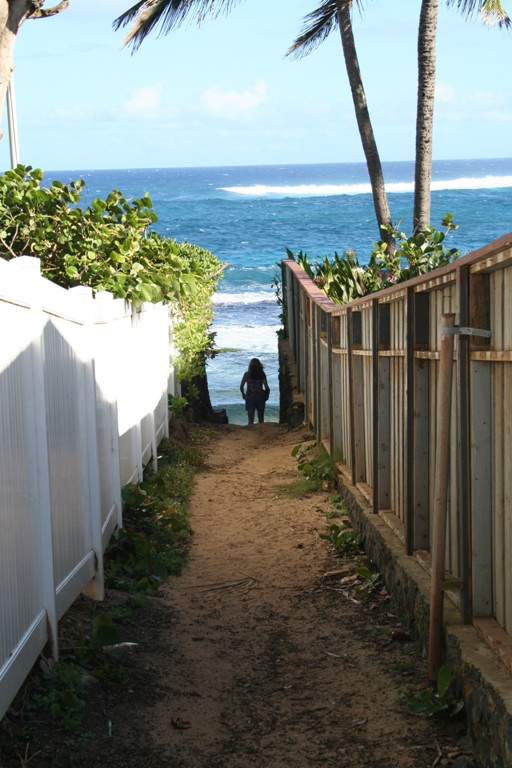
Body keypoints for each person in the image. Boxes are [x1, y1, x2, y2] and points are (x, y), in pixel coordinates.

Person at [240, 358, 270, 425]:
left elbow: (241, 386)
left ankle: (251, 434)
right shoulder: (262, 374)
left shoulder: (246, 374)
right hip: (260, 397)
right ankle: (261, 433)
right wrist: (267, 396)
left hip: (250, 397)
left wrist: (243, 394)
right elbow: (267, 387)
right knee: (261, 420)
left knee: (250, 421)